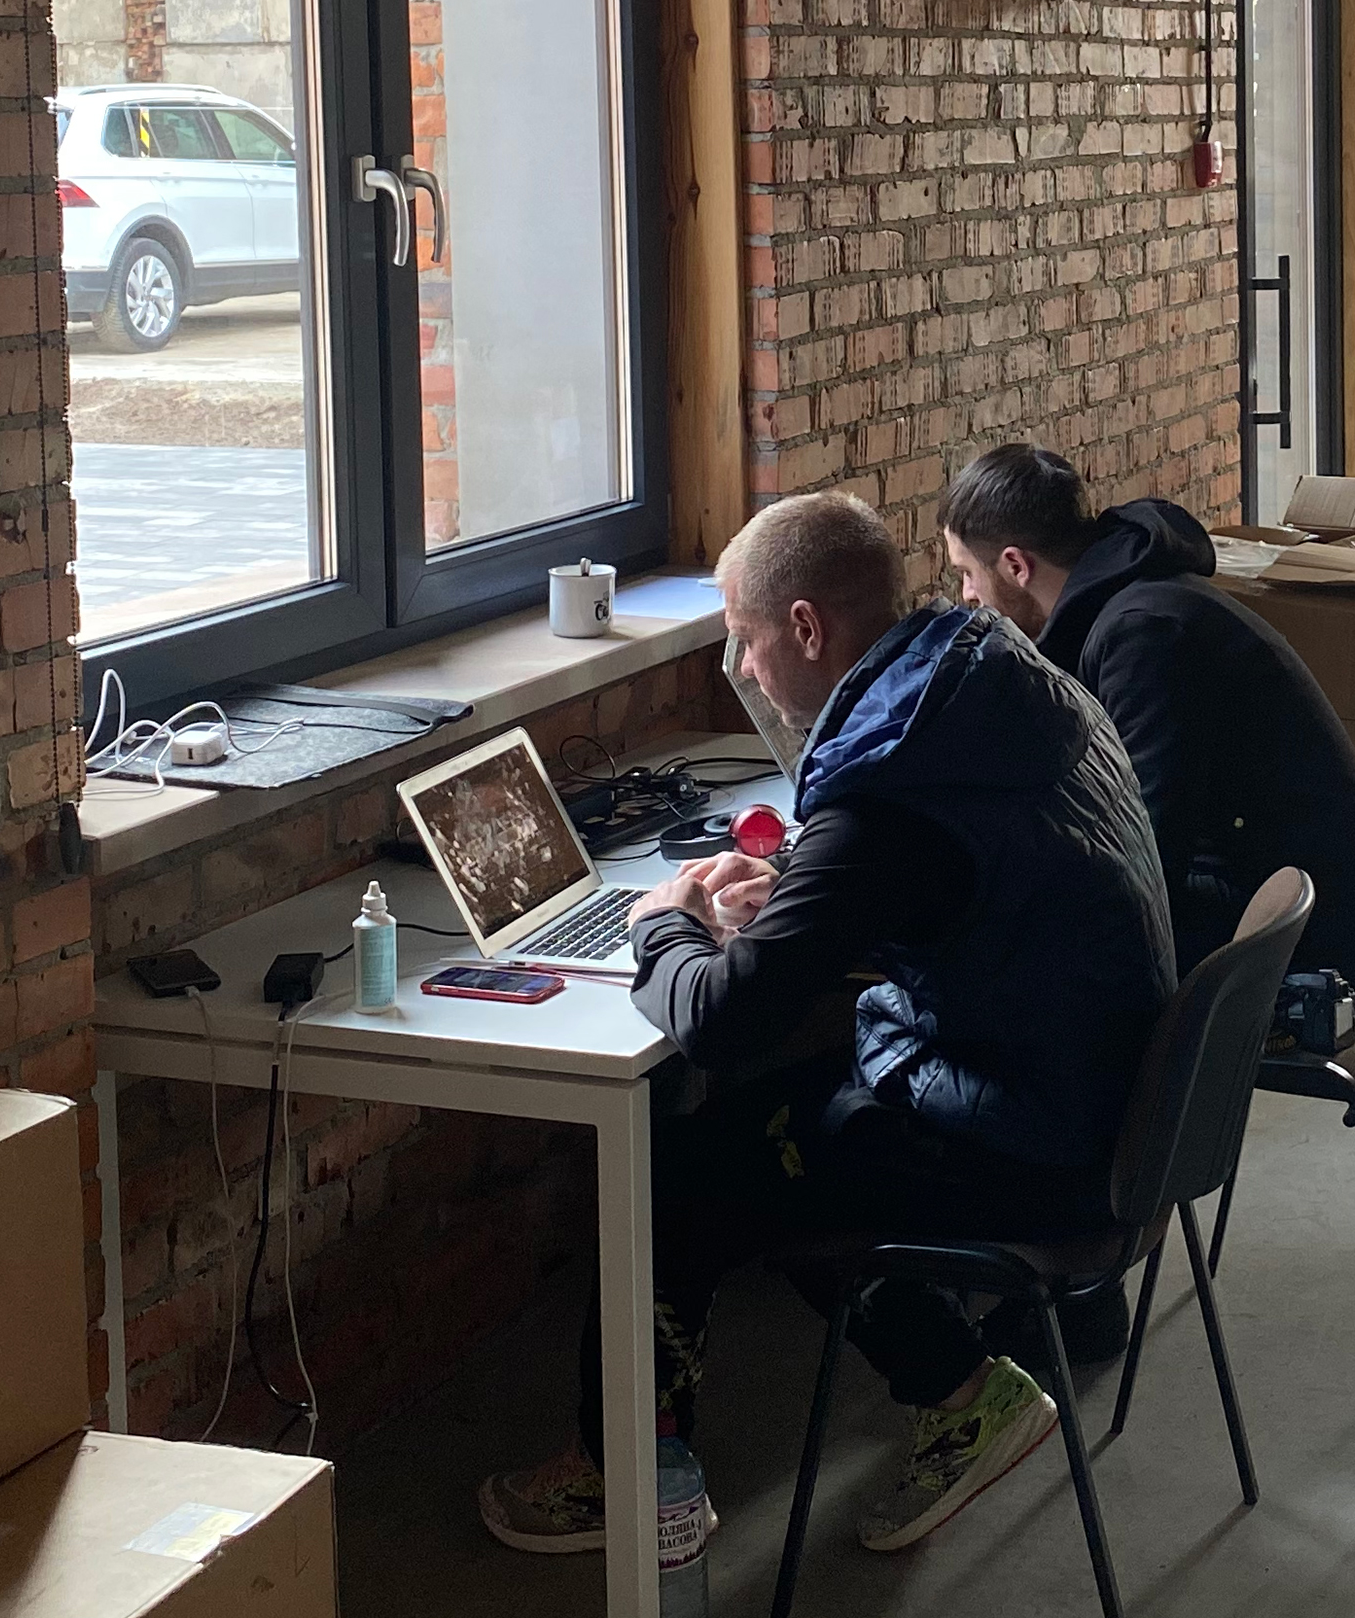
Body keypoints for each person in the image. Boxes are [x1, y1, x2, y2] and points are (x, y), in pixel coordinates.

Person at [478, 492, 1176, 1558]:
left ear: (806, 628)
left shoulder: (886, 797)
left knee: (683, 1176)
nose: (745, 669)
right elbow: (962, 873)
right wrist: (809, 890)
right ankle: (961, 1390)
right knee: (784, 1134)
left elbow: (721, 1024)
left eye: (747, 640)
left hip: (1040, 1141)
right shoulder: (985, 678)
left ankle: (619, 1477)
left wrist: (661, 924)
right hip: (1105, 1098)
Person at [938, 444, 1355, 988]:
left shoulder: (1144, 634)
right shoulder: (1131, 607)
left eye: (967, 573)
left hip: (1301, 942)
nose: (966, 595)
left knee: (1009, 945)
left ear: (1015, 566)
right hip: (1276, 894)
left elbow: (1147, 847)